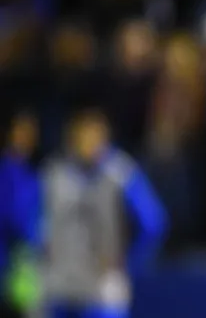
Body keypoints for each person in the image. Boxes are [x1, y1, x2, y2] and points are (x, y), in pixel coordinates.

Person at [41, 108, 167, 318]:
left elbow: (153, 223)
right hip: (59, 287)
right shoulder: (54, 172)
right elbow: (33, 227)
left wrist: (127, 260)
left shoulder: (120, 173)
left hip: (102, 290)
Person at [0, 113, 42, 318]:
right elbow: (17, 219)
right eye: (19, 132)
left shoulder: (31, 174)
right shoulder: (9, 173)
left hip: (20, 271)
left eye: (29, 134)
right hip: (9, 265)